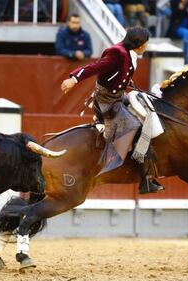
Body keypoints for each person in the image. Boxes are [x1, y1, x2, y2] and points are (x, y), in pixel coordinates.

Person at [60, 27, 164, 194]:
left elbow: (118, 76)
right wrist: (74, 78)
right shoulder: (117, 52)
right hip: (106, 102)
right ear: (138, 44)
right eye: (146, 42)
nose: (147, 44)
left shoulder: (129, 53)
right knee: (136, 127)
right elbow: (95, 67)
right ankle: (144, 179)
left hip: (116, 96)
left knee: (145, 109)